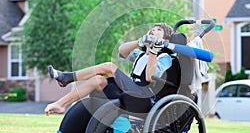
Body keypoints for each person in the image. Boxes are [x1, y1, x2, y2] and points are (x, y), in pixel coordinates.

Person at [44, 23, 173, 116]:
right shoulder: (141, 55)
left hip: (144, 96)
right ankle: (61, 104)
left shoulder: (165, 57)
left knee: (109, 67)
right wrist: (139, 43)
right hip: (130, 90)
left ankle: (68, 77)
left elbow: (150, 77)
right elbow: (122, 50)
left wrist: (154, 52)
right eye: (151, 29)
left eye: (158, 30)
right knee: (98, 80)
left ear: (165, 40)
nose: (152, 30)